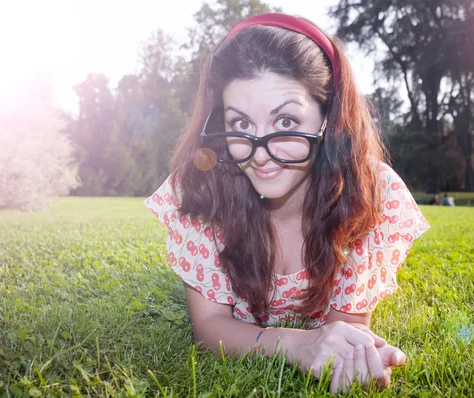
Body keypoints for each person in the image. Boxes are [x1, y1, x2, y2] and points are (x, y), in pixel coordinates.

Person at [144, 13, 430, 395]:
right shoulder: (200, 188)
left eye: (285, 121)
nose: (260, 154)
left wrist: (353, 346)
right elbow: (210, 325)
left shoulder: (373, 194)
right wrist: (297, 344)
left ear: (328, 118)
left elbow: (345, 323)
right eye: (242, 125)